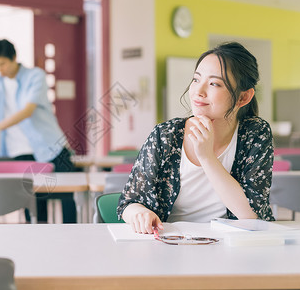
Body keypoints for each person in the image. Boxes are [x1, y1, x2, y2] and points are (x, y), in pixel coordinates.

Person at [117, 42, 274, 234]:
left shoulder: (255, 134)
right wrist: (139, 213)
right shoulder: (165, 136)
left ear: (243, 98)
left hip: (230, 248)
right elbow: (129, 203)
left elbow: (251, 215)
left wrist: (206, 157)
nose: (198, 92)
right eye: (196, 80)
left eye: (214, 83)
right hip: (171, 246)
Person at [0, 39, 76, 223]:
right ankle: (37, 247)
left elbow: (27, 111)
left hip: (51, 146)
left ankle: (73, 240)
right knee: (32, 203)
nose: (0, 69)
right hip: (20, 151)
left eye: (2, 64)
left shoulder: (35, 76)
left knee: (66, 198)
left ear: (14, 58)